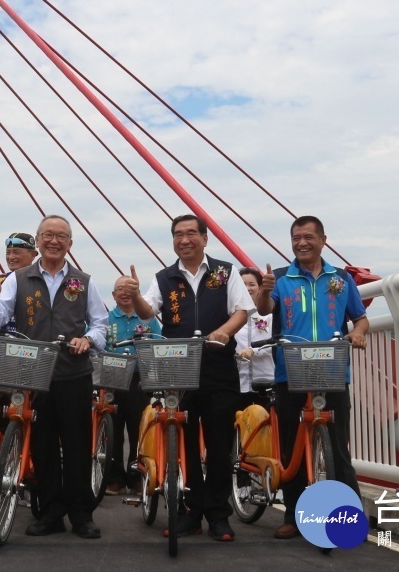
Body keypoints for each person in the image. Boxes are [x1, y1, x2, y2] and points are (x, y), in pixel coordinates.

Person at [118, 214, 252, 542]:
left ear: (205, 238)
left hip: (219, 367)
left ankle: (219, 515)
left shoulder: (225, 271)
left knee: (219, 445)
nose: (185, 239)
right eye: (178, 234)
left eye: (192, 233)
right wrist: (135, 295)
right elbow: (148, 311)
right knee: (184, 444)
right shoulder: (165, 277)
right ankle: (189, 513)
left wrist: (223, 331)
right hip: (179, 369)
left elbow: (242, 309)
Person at [0, 215, 108, 539]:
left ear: (70, 243)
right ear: (38, 241)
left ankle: (81, 514)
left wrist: (89, 340)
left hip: (73, 372)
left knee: (78, 444)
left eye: (61, 236)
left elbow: (100, 324)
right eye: (48, 235)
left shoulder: (83, 280)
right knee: (42, 445)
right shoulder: (19, 278)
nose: (54, 241)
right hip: (33, 374)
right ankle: (51, 511)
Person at [255, 215, 368, 540]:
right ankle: (293, 515)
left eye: (308, 237)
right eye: (296, 238)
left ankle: (349, 517)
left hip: (333, 370)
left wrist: (358, 334)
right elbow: (264, 309)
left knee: (338, 446)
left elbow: (360, 319)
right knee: (292, 446)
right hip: (289, 370)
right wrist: (263, 291)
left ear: (323, 240)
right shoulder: (280, 277)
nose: (301, 243)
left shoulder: (341, 278)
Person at [103, 275, 161, 495]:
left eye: (129, 288)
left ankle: (136, 476)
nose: (125, 293)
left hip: (139, 381)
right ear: (113, 295)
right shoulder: (105, 319)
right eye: (120, 289)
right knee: (112, 430)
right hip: (111, 380)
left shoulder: (148, 318)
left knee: (139, 429)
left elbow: (158, 344)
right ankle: (115, 477)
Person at [234, 266, 274, 405]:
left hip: (266, 382)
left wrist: (253, 351)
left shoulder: (269, 315)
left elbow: (274, 343)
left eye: (252, 284)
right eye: (243, 284)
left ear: (260, 287)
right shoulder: (231, 315)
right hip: (238, 384)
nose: (247, 288)